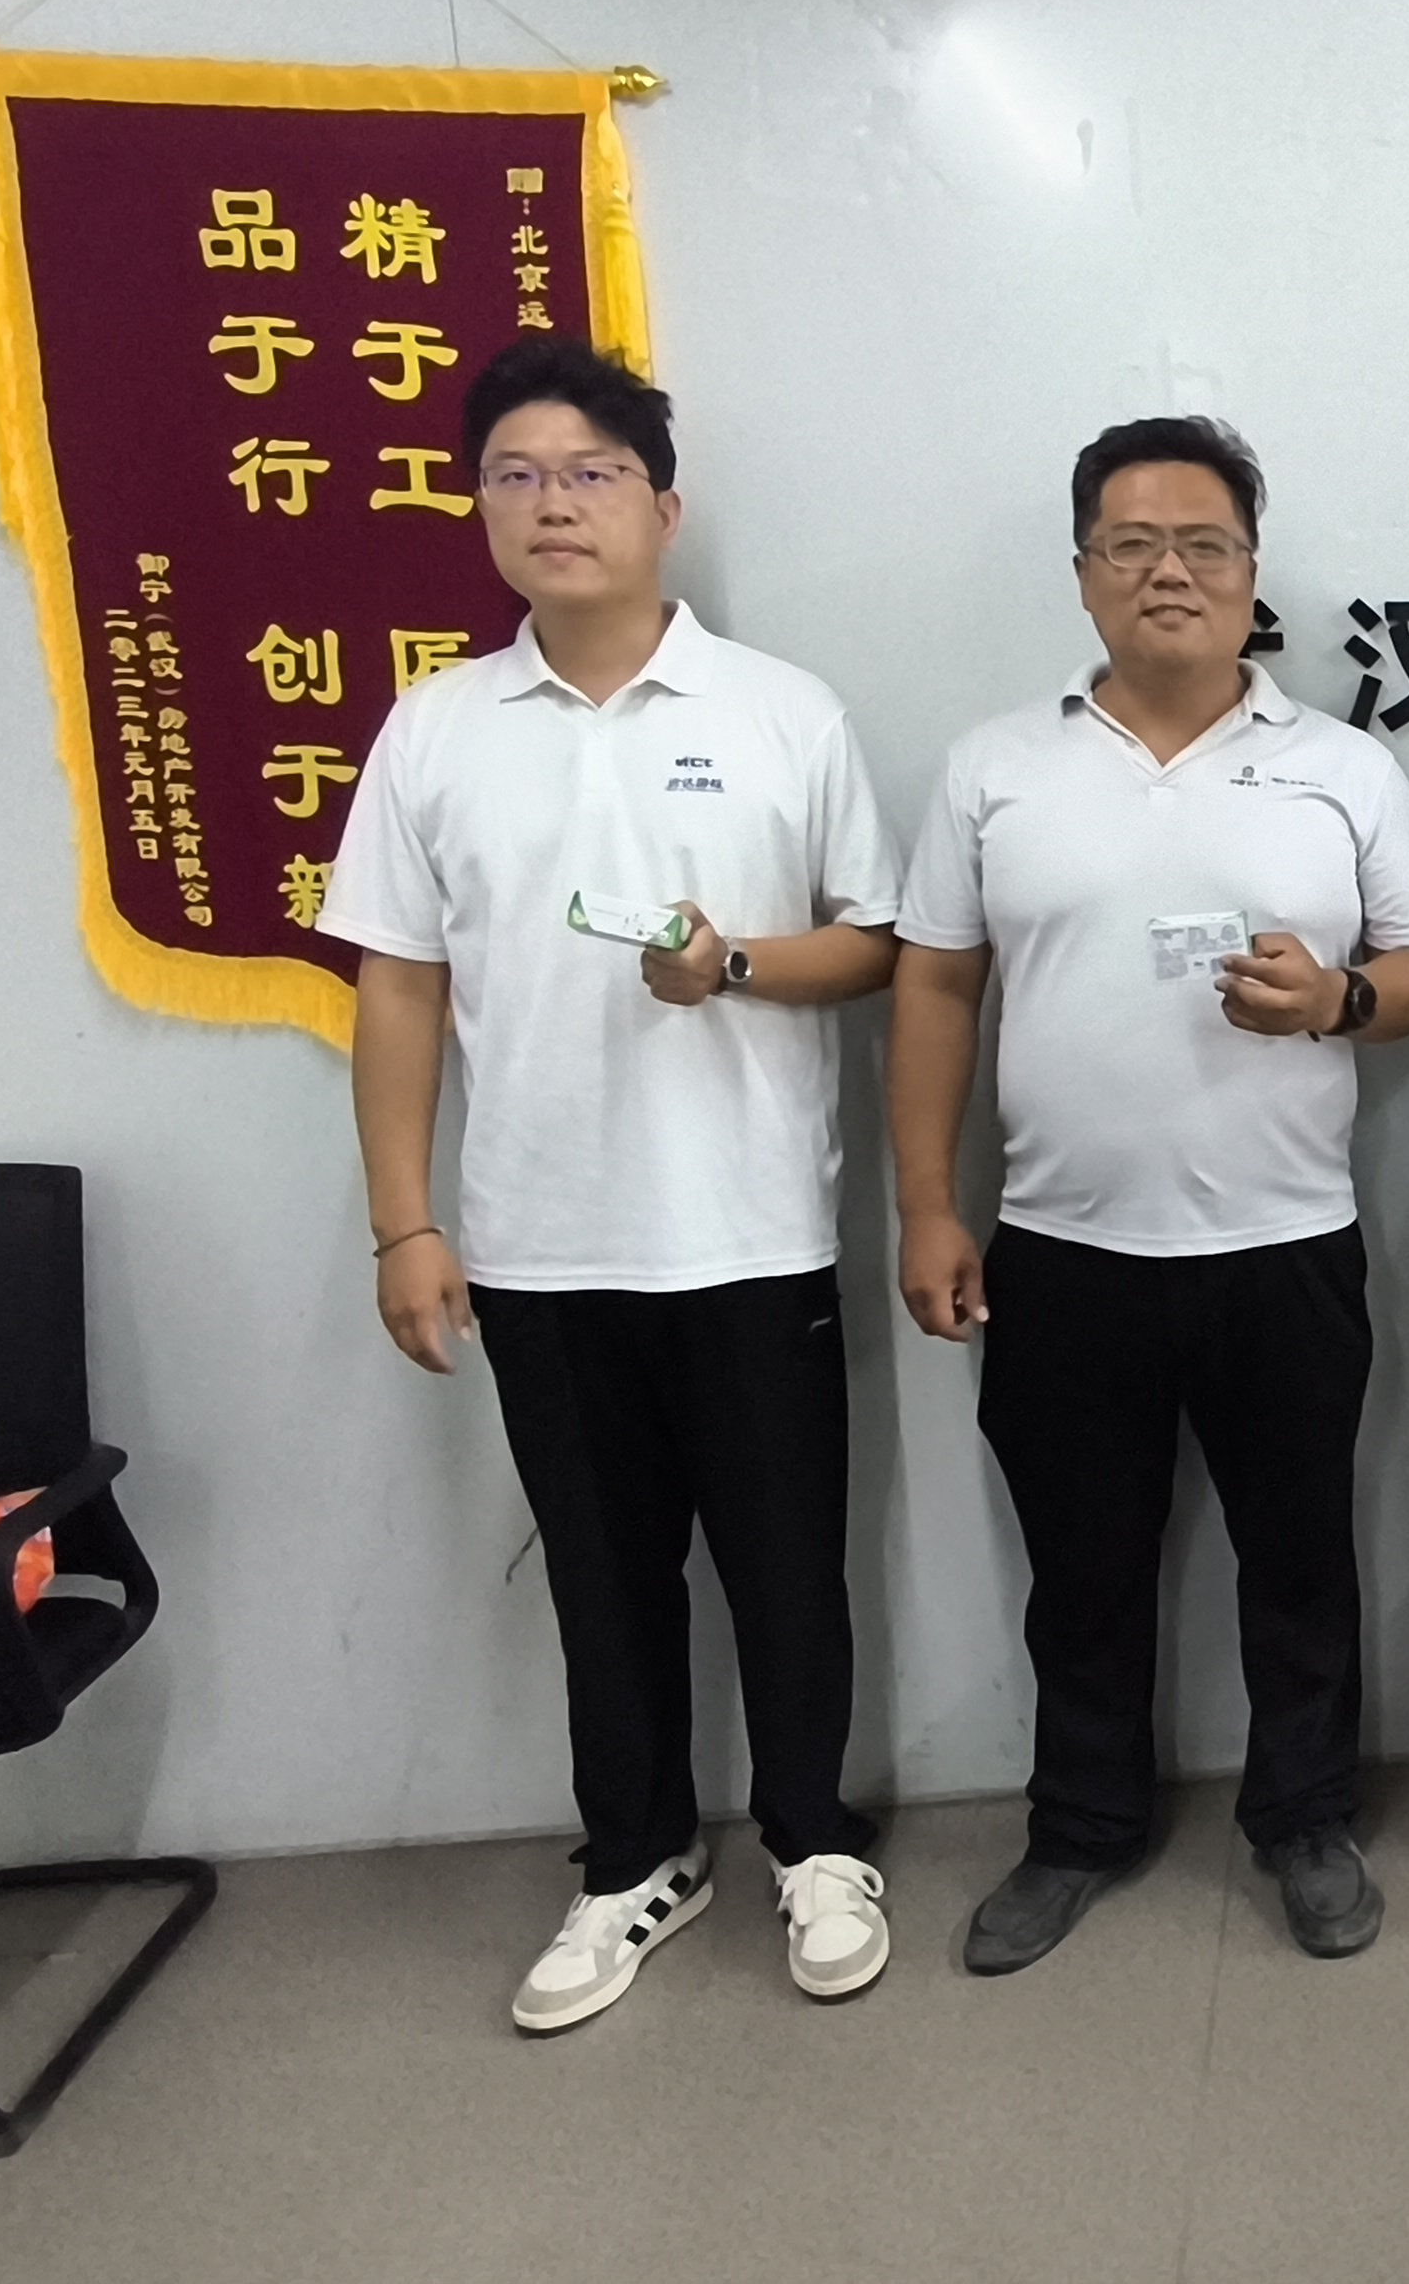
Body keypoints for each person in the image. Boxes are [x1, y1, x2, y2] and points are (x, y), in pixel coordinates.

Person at [320, 337, 902, 2032]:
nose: (553, 503)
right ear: (479, 509)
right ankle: (636, 1856)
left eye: (590, 472)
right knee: (602, 1577)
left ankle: (814, 1839)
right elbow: (399, 987)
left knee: (788, 1567)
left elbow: (874, 942)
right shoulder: (437, 729)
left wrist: (735, 966)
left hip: (748, 1232)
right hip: (538, 1244)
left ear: (663, 507)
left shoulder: (782, 710)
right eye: (516, 475)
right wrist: (406, 1221)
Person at [891, 417, 1409, 1969]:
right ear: (1083, 574)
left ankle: (1306, 1818)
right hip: (1063, 1249)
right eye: (1132, 544)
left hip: (1287, 1245)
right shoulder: (996, 768)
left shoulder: (1342, 768)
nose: (1170, 573)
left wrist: (1337, 1000)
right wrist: (927, 1202)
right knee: (1081, 1570)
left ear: (1252, 576)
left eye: (1205, 545)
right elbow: (935, 987)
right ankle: (1081, 1825)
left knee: (1300, 1558)